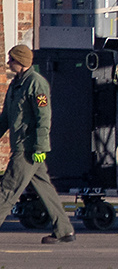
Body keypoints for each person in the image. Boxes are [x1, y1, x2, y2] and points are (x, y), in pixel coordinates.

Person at [0, 45, 74, 244]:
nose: (9, 63)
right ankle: (64, 229)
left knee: (8, 189)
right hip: (22, 146)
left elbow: (44, 118)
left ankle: (64, 229)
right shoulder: (16, 85)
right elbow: (5, 118)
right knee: (45, 188)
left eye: (11, 60)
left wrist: (41, 147)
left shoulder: (36, 84)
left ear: (21, 62)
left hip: (29, 148)